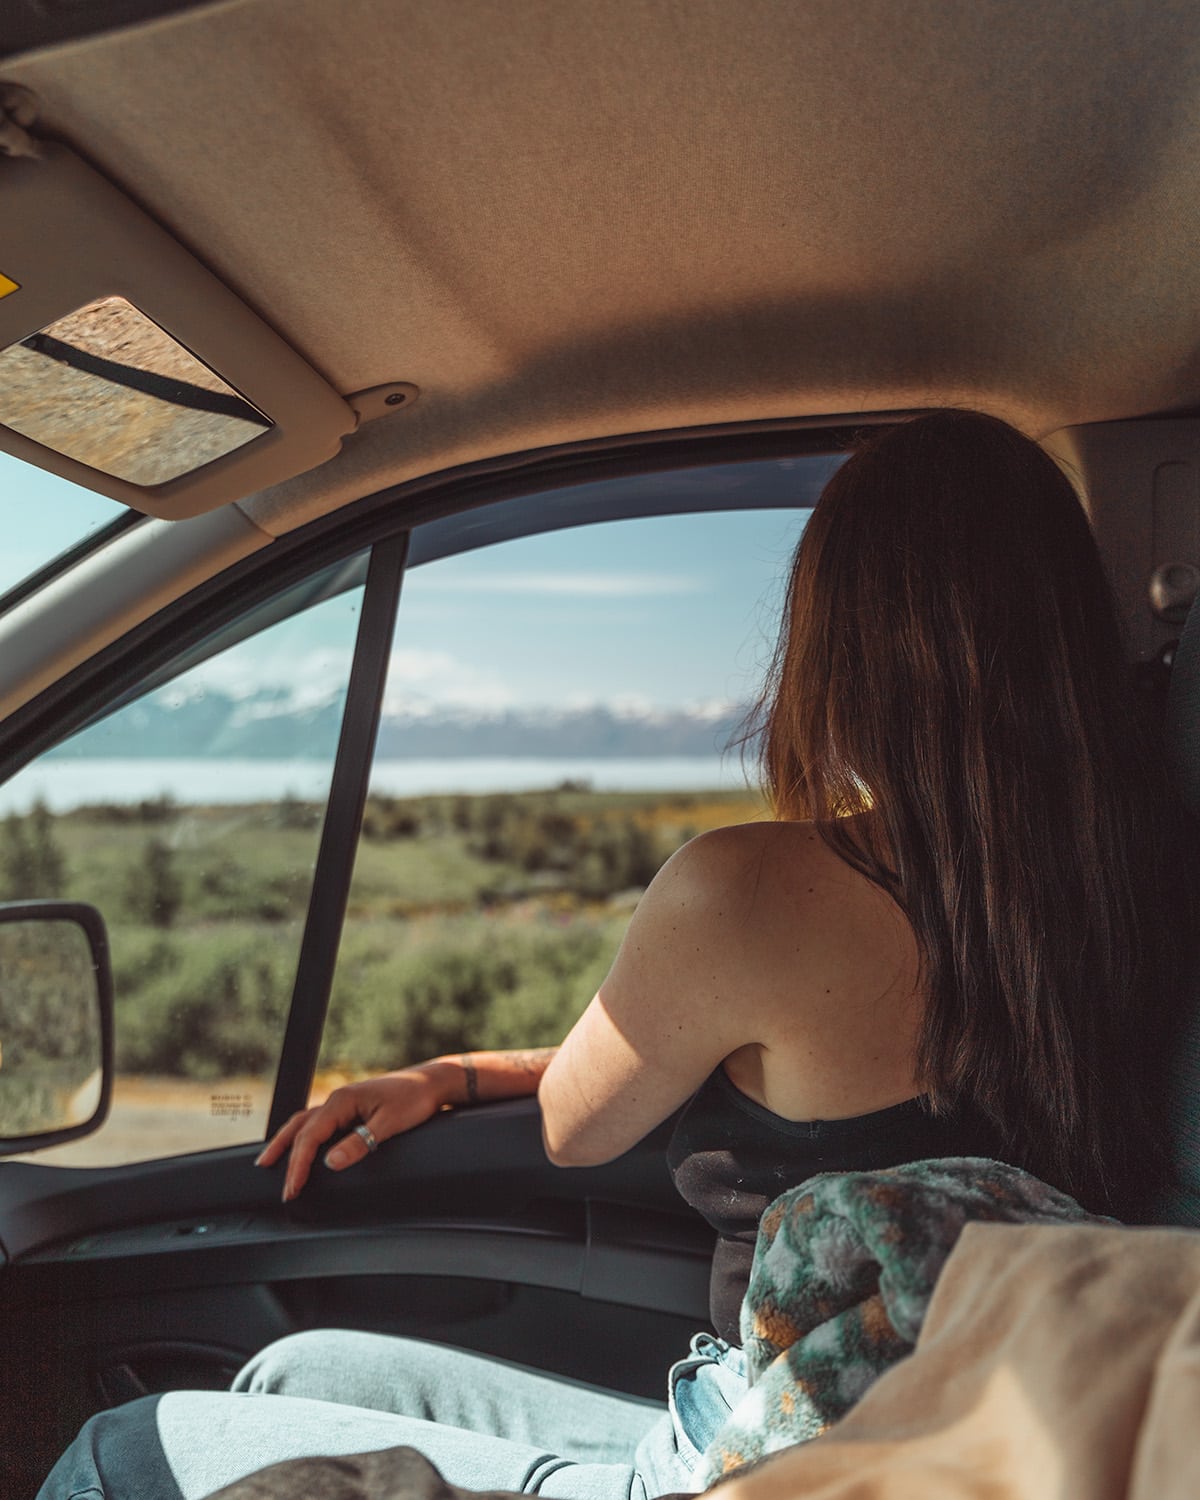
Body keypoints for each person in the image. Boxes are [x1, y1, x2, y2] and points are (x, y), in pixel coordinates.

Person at [37, 410, 1193, 1500]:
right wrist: (463, 1075)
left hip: (761, 1454)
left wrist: (465, 1073)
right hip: (976, 1426)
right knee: (294, 1376)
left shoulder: (747, 889)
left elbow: (581, 1124)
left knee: (123, 1452)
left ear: (843, 643)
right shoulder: (1140, 878)